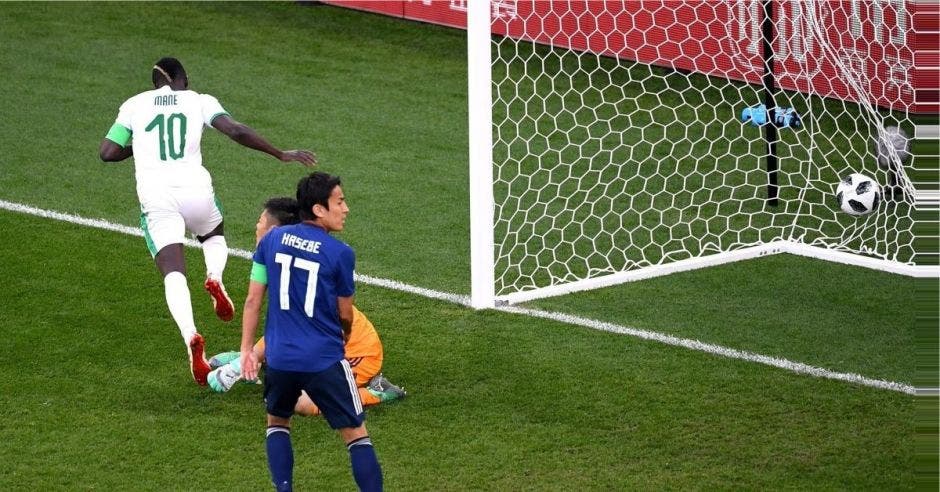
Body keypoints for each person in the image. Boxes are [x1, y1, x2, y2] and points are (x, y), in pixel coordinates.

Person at [98, 57, 316, 386]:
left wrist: (141, 147)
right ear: (182, 79)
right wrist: (280, 153)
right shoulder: (199, 100)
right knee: (213, 235)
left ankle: (190, 336)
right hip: (195, 190)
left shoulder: (133, 105)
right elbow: (236, 131)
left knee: (173, 272)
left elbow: (107, 152)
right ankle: (214, 276)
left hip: (157, 198)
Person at [241, 173, 382, 491]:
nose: (345, 209)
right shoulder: (340, 253)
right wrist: (343, 337)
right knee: (355, 434)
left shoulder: (272, 240)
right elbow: (345, 313)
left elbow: (253, 299)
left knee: (277, 423)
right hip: (324, 359)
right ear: (319, 209)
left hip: (278, 359)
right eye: (340, 202)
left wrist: (247, 349)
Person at [207, 197, 406, 415]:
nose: (256, 225)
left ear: (275, 231)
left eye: (261, 221)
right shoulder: (272, 254)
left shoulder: (297, 268)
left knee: (302, 403)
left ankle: (377, 391)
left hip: (355, 351)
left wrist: (235, 368)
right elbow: (260, 307)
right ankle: (253, 359)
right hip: (311, 341)